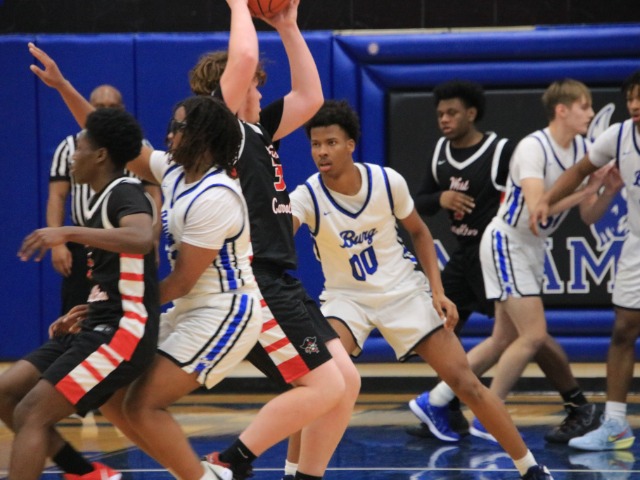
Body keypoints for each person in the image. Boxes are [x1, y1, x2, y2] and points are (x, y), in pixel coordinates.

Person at [27, 0, 360, 478]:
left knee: (341, 385)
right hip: (249, 282)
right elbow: (239, 62)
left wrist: (287, 25)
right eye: (253, 85)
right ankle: (229, 463)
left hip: (266, 280)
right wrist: (239, 5)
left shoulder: (254, 132)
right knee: (327, 387)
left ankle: (277, 471)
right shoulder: (222, 138)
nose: (259, 90)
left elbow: (309, 97)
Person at [289, 99, 553, 480]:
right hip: (347, 300)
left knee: (466, 383)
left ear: (350, 145)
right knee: (317, 379)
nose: (322, 152)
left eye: (330, 143)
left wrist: (438, 291)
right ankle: (291, 474)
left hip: (403, 292)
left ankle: (530, 469)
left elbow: (420, 232)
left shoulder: (386, 182)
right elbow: (279, 234)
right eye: (315, 144)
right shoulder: (306, 196)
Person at [408, 79, 600, 444]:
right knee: (534, 335)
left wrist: (606, 190)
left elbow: (590, 214)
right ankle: (490, 416)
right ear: (562, 110)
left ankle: (435, 400)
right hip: (506, 241)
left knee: (503, 339)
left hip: (530, 247)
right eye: (585, 106)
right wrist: (585, 191)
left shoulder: (583, 150)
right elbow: (537, 210)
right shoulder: (533, 147)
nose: (591, 113)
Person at [0, 107, 159, 480]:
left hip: (124, 331)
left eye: (80, 148)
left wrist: (67, 232)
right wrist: (87, 306)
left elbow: (142, 238)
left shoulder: (125, 192)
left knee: (31, 413)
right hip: (97, 321)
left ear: (100, 155)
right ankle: (87, 473)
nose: (72, 157)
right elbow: (117, 273)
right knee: (6, 393)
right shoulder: (100, 199)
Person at [531, 70, 640, 452]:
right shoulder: (620, 136)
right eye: (630, 99)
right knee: (623, 330)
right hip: (637, 246)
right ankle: (615, 425)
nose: (635, 105)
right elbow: (579, 170)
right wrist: (546, 199)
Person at [48, 84, 162, 315]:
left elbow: (153, 199)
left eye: (112, 106)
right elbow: (57, 196)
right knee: (79, 314)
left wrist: (154, 239)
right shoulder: (68, 147)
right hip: (84, 244)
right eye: (99, 107)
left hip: (123, 241)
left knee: (121, 312)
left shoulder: (136, 156)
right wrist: (58, 243)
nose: (105, 111)